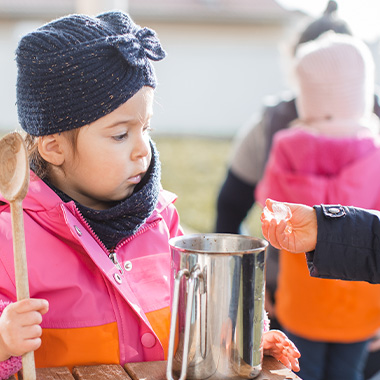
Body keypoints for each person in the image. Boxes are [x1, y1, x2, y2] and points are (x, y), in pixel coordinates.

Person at [0, 11, 300, 379]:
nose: (143, 149)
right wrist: (3, 340)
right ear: (53, 147)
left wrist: (238, 338)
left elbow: (196, 317)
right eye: (120, 134)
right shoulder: (11, 238)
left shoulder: (163, 220)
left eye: (146, 127)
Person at [255, 31, 380, 380]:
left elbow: (271, 217)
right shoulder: (376, 150)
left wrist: (267, 283)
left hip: (301, 302)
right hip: (361, 307)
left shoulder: (286, 146)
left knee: (297, 373)